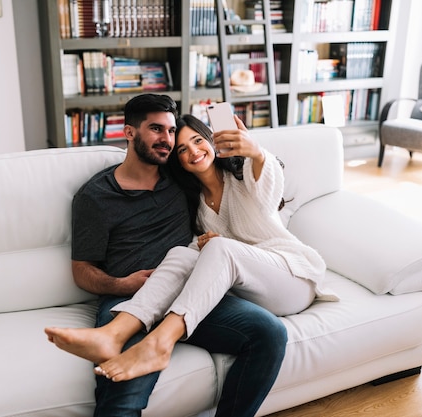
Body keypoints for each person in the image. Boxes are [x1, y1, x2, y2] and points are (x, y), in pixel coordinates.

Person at [45, 94, 289, 417]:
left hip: (191, 292)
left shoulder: (181, 179)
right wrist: (121, 284)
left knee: (269, 333)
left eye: (172, 131)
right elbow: (81, 270)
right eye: (157, 129)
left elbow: (239, 189)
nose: (168, 140)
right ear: (129, 132)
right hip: (132, 298)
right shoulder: (94, 197)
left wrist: (247, 149)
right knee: (122, 397)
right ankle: (115, 339)